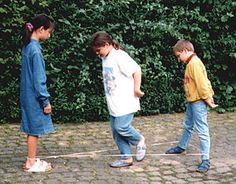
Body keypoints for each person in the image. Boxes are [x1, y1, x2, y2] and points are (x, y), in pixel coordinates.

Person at [90, 31, 147, 168]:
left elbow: (136, 70)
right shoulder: (105, 57)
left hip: (125, 102)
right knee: (116, 133)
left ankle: (140, 140)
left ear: (107, 44)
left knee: (121, 127)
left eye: (99, 50)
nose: (98, 53)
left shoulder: (119, 56)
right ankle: (126, 158)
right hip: (114, 103)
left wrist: (136, 89)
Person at [165, 39, 218, 172]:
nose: (179, 59)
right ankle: (181, 147)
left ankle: (205, 160)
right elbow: (204, 80)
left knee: (202, 130)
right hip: (192, 101)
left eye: (178, 56)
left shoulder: (194, 63)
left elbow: (202, 83)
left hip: (199, 101)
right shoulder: (191, 63)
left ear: (185, 51)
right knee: (188, 125)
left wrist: (207, 98)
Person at [20, 13, 55, 172]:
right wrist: (45, 101)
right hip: (34, 96)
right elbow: (39, 79)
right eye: (49, 32)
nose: (49, 35)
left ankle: (31, 160)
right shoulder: (35, 50)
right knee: (34, 130)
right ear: (41, 29)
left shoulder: (28, 46)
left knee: (31, 129)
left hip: (27, 94)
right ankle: (31, 163)